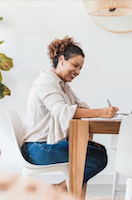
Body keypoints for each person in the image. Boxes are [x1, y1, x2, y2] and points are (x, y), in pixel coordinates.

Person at [21, 36, 119, 191]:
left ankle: (59, 189)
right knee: (98, 157)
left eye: (80, 68)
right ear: (61, 60)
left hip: (45, 145)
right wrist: (101, 112)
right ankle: (59, 190)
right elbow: (62, 111)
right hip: (38, 148)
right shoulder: (46, 81)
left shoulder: (62, 84)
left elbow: (78, 106)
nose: (78, 71)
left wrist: (104, 112)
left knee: (99, 151)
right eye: (75, 65)